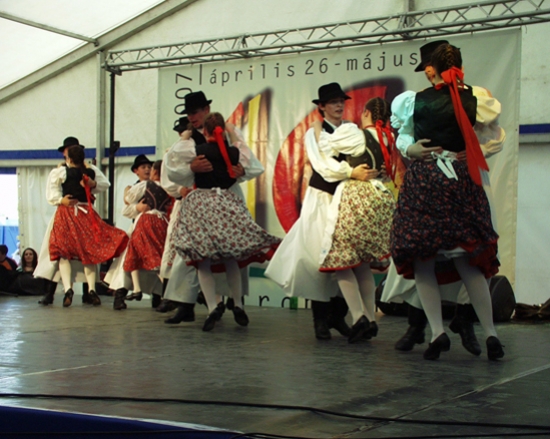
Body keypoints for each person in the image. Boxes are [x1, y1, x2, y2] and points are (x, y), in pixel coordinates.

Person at [382, 40, 506, 356]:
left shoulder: (414, 101)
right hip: (462, 180)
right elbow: (495, 138)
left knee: (423, 259)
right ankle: (490, 334)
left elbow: (404, 137)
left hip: (426, 181)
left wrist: (411, 149)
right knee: (467, 259)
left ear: (431, 69)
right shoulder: (475, 98)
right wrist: (473, 151)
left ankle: (437, 332)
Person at [266, 82, 373, 340]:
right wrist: (350, 171)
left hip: (346, 198)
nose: (339, 105)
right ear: (322, 107)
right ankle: (321, 320)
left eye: (341, 101)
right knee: (319, 257)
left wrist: (353, 170)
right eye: (333, 102)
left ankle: (340, 316)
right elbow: (322, 166)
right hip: (322, 199)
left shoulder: (349, 129)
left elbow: (358, 152)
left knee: (348, 258)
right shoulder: (314, 133)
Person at [170, 112, 280, 331]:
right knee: (231, 258)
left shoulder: (197, 150)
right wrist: (232, 134)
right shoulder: (234, 152)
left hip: (202, 204)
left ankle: (213, 306)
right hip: (226, 203)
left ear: (206, 131)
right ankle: (237, 303)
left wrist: (186, 137)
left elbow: (176, 156)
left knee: (202, 261)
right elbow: (247, 157)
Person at [312, 97, 398, 343]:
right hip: (380, 198)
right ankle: (370, 318)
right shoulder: (388, 137)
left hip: (357, 197)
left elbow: (326, 147)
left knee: (342, 262)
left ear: (367, 112)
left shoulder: (355, 134)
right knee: (361, 264)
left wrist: (318, 129)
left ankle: (359, 316)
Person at [45, 145, 129, 307]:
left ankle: (68, 289)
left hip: (66, 213)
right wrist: (92, 183)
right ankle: (91, 289)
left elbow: (51, 192)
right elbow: (104, 184)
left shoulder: (61, 172)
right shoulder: (89, 172)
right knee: (88, 252)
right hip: (85, 213)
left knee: (63, 253)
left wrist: (60, 200)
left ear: (69, 159)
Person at [35, 137, 111, 305]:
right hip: (70, 212)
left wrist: (92, 185)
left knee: (69, 252)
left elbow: (103, 184)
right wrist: (60, 200)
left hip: (78, 212)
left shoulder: (88, 169)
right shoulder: (62, 170)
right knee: (59, 253)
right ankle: (52, 292)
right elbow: (54, 192)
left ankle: (85, 291)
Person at [106, 154, 164, 310]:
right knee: (129, 259)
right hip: (140, 226)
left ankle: (159, 296)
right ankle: (120, 295)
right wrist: (137, 208)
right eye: (143, 167)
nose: (147, 169)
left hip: (158, 226)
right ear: (136, 171)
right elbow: (126, 210)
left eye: (149, 167)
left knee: (158, 259)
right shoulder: (137, 187)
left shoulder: (161, 185)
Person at [121, 160, 172, 306]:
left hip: (147, 221)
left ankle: (158, 291)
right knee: (157, 254)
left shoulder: (146, 185)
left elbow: (129, 198)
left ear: (154, 172)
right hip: (163, 222)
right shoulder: (169, 187)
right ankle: (141, 289)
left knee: (137, 250)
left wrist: (127, 192)